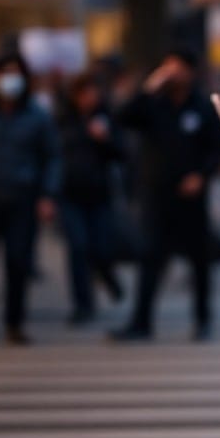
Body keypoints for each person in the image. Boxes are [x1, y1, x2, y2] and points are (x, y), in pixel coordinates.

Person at [110, 47, 220, 341]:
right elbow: (122, 116)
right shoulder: (153, 104)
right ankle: (141, 321)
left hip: (191, 196)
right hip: (156, 195)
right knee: (150, 257)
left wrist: (202, 175)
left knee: (199, 260)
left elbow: (216, 148)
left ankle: (203, 320)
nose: (173, 73)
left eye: (178, 67)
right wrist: (148, 88)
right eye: (168, 66)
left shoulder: (202, 106)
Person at [0, 49, 60, 344]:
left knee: (17, 262)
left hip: (21, 199)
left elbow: (51, 156)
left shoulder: (37, 114)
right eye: (4, 73)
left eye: (15, 74)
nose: (9, 80)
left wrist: (47, 195)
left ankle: (14, 323)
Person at [57, 70, 126, 325]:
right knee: (78, 247)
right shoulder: (62, 120)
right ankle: (82, 304)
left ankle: (107, 274)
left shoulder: (106, 118)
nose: (89, 98)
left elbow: (122, 152)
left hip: (98, 193)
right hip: (69, 193)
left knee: (100, 246)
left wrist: (104, 139)